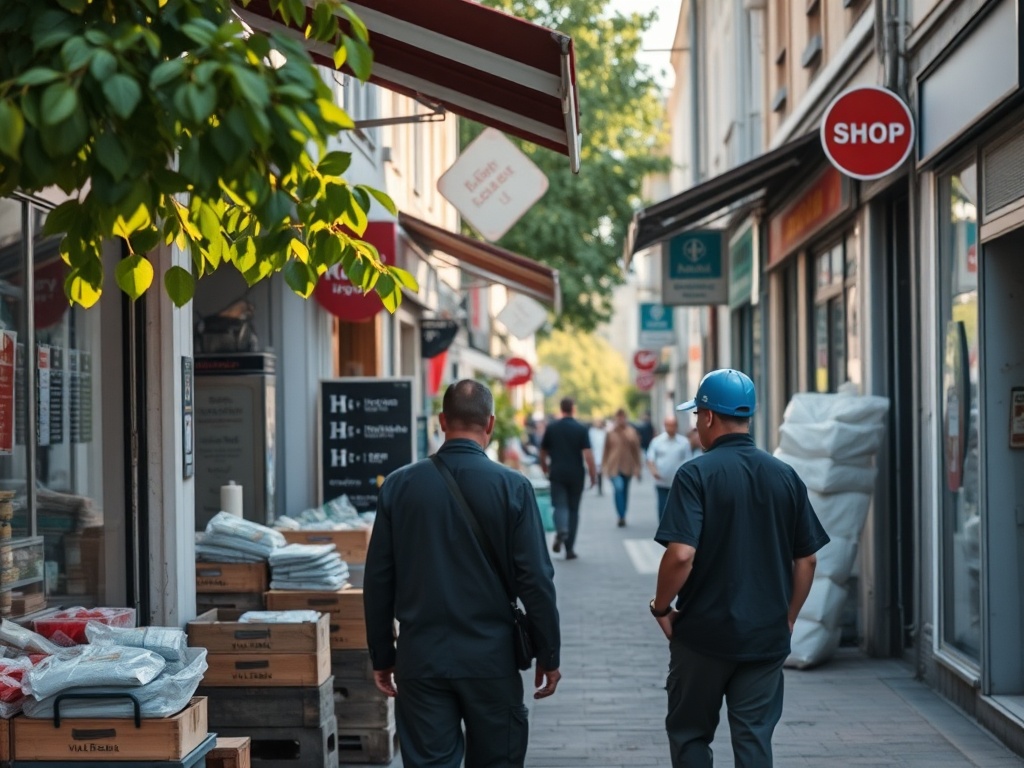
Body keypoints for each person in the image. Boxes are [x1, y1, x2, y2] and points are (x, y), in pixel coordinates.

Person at [363, 379, 562, 768]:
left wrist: (383, 655)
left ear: (441, 421)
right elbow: (536, 581)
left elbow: (378, 580)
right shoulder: (513, 488)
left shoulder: (399, 486)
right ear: (489, 424)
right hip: (492, 658)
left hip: (421, 658)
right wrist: (548, 654)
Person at [650, 369, 829, 768]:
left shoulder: (695, 474)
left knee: (690, 734)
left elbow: (680, 554)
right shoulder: (785, 476)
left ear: (710, 416)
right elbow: (808, 558)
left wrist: (661, 607)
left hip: (703, 635)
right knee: (754, 738)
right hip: (764, 636)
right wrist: (788, 617)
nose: (695, 424)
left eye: (697, 414)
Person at [540, 397, 597, 559]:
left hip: (557, 472)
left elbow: (542, 452)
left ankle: (561, 529)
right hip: (576, 474)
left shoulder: (552, 428)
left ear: (561, 408)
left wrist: (545, 468)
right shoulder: (581, 428)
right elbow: (588, 455)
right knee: (574, 510)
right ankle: (570, 549)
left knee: (559, 505)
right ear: (573, 408)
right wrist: (593, 475)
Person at [602, 409, 643, 527]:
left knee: (625, 491)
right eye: (618, 417)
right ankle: (621, 516)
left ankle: (623, 513)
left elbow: (636, 451)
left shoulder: (631, 431)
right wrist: (604, 466)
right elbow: (606, 450)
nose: (620, 420)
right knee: (618, 488)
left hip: (627, 466)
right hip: (614, 467)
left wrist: (637, 467)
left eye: (623, 417)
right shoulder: (610, 433)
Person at [645, 415, 691, 520]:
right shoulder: (657, 441)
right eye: (669, 425)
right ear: (665, 426)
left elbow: (688, 460)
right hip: (661, 481)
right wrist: (654, 471)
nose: (671, 428)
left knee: (676, 507)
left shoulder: (684, 442)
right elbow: (650, 459)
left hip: (677, 482)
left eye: (673, 425)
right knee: (662, 507)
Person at [588, 417, 608, 496]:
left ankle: (600, 487)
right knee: (597, 471)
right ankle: (596, 485)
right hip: (595, 454)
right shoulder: (592, 432)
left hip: (603, 454)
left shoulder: (605, 432)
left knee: (601, 472)